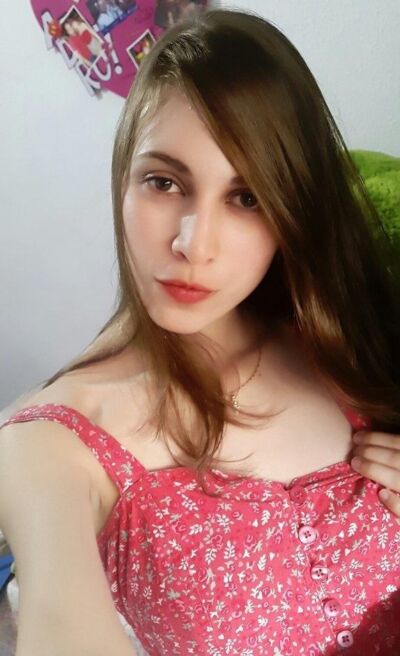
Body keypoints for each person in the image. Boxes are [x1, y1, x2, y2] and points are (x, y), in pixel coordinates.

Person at [1, 7, 400, 656]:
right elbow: (61, 622)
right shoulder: (51, 442)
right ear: (123, 181)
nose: (194, 243)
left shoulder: (339, 332)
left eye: (247, 197)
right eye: (164, 182)